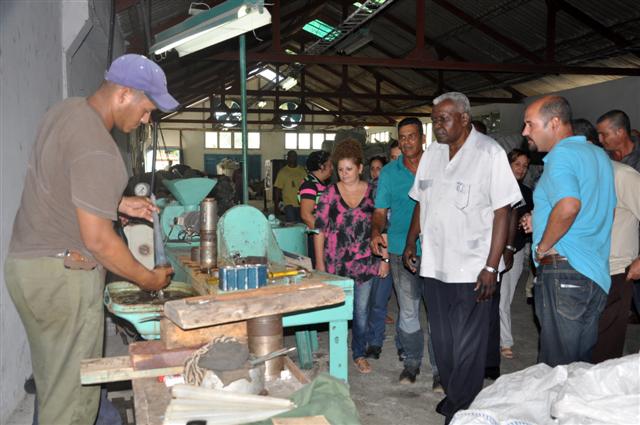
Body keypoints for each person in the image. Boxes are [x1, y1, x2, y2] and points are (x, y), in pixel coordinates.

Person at [4, 54, 176, 425]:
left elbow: (63, 183)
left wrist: (117, 202)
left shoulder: (65, 113)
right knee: (72, 407)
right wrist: (147, 280)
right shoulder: (99, 146)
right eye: (146, 109)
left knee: (56, 385)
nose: (146, 119)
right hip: (64, 276)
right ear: (124, 94)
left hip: (28, 268)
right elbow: (98, 240)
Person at [403, 92, 521, 423]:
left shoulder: (489, 153)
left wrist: (491, 265)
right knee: (442, 339)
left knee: (469, 340)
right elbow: (420, 201)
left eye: (445, 118)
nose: (438, 125)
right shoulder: (432, 155)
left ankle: (463, 403)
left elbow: (502, 212)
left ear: (465, 118)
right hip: (434, 264)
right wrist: (412, 241)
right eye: (434, 118)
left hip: (472, 267)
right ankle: (457, 394)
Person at [520, 96, 615, 367]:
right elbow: (587, 204)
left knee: (556, 368)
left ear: (554, 122)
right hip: (594, 273)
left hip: (565, 270)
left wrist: (542, 246)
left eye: (529, 124)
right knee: (577, 366)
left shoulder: (561, 156)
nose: (525, 132)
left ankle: (554, 411)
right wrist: (539, 219)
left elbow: (569, 205)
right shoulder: (597, 154)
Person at [371, 118, 440, 389]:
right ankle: (412, 363)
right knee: (408, 311)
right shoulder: (389, 172)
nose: (407, 141)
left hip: (437, 251)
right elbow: (379, 212)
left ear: (423, 138)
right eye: (402, 137)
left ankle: (439, 369)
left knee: (437, 315)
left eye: (412, 136)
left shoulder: (438, 167)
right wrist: (376, 232)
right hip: (401, 251)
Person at [314, 139, 380, 374]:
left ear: (360, 168)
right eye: (340, 169)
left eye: (349, 169)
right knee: (337, 310)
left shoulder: (373, 193)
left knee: (361, 311)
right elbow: (319, 230)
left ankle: (358, 353)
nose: (344, 174)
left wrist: (383, 260)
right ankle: (337, 350)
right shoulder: (330, 193)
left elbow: (381, 228)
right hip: (336, 263)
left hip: (365, 262)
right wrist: (320, 265)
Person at [498, 149, 533, 359]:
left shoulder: (527, 193)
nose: (521, 169)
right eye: (517, 164)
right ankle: (504, 340)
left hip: (516, 251)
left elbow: (530, 222)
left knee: (506, 298)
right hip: (492, 251)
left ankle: (503, 339)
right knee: (496, 298)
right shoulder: (495, 187)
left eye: (524, 166)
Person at [363, 155, 394, 360]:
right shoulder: (365, 194)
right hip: (365, 256)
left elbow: (387, 229)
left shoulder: (390, 196)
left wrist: (385, 259)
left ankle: (375, 342)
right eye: (373, 169)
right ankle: (364, 337)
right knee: (364, 302)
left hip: (384, 253)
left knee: (379, 302)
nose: (376, 173)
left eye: (380, 169)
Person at [298, 150, 333, 265]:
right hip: (316, 236)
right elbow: (306, 215)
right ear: (321, 166)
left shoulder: (320, 184)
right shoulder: (310, 184)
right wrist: (325, 234)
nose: (332, 168)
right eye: (330, 164)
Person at [274, 150, 307, 223]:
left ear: (296, 158)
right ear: (287, 158)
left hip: (301, 204)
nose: (292, 158)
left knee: (301, 226)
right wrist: (276, 206)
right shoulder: (283, 172)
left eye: (294, 156)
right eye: (290, 156)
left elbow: (307, 186)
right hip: (288, 204)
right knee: (291, 224)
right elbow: (277, 189)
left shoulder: (302, 171)